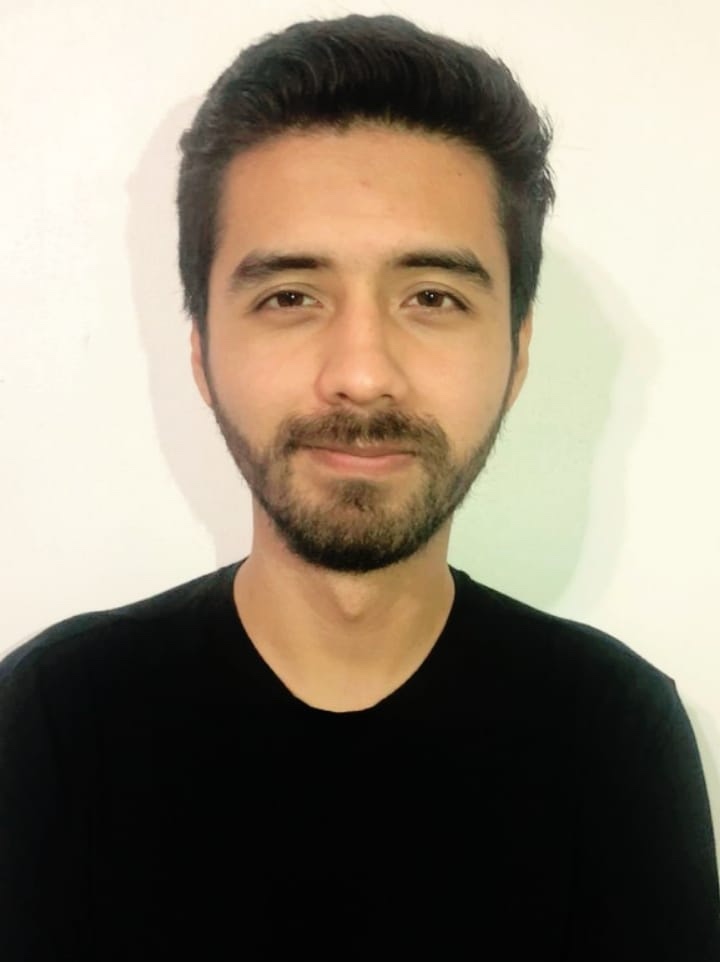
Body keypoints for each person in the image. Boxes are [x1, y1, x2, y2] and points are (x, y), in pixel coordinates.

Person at [1, 13, 718, 960]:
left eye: (433, 297)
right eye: (290, 296)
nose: (363, 373)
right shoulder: (54, 721)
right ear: (202, 355)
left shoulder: (615, 734)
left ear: (517, 356)